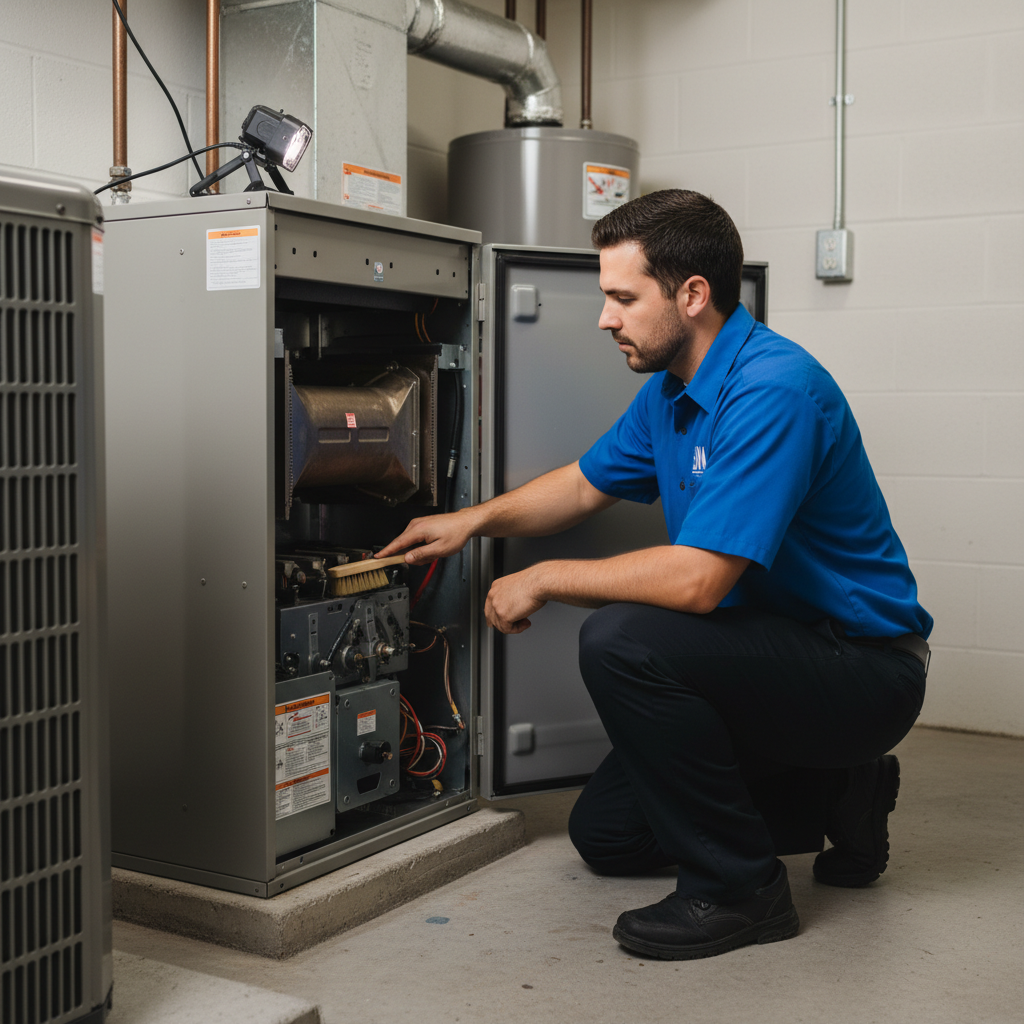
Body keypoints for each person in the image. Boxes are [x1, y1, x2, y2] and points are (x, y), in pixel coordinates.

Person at [376, 189, 931, 961]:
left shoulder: (772, 391)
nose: (606, 318)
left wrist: (545, 580)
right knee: (605, 835)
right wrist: (472, 521)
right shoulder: (670, 395)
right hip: (770, 657)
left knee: (623, 639)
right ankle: (838, 790)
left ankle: (743, 891)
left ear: (692, 295)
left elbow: (698, 582)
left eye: (622, 298)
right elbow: (581, 484)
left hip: (860, 669)